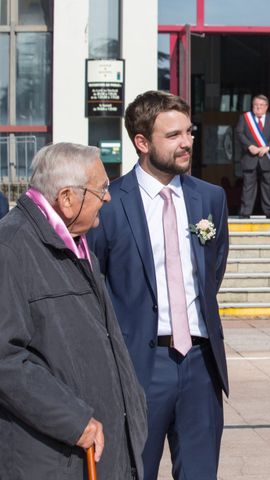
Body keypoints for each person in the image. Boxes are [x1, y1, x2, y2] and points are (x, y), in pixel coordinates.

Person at [87, 91, 230, 479]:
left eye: (189, 132)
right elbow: (93, 287)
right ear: (142, 142)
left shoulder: (211, 198)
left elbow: (212, 272)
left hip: (201, 364)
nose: (186, 142)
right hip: (138, 367)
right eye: (173, 135)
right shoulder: (110, 203)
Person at [0, 143, 147, 479]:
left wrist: (133, 408)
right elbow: (5, 360)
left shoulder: (75, 243)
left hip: (97, 454)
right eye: (101, 189)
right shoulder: (10, 248)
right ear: (67, 198)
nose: (108, 198)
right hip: (52, 459)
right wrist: (74, 421)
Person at [235, 94, 270, 218]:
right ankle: (245, 212)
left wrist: (267, 148)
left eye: (261, 105)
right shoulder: (245, 118)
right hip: (250, 157)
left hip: (267, 157)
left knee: (268, 186)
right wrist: (249, 146)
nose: (258, 108)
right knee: (248, 186)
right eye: (256, 105)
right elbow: (239, 133)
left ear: (266, 107)